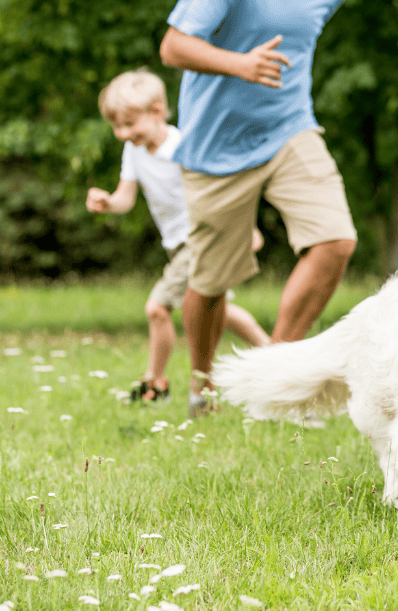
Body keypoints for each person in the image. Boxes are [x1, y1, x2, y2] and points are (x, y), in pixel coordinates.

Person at [159, 0, 358, 416]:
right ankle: (202, 387)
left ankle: (273, 371)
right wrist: (240, 64)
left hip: (289, 126)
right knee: (210, 282)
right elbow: (173, 46)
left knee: (336, 241)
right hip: (215, 144)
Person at [87, 68, 272, 404]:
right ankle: (276, 355)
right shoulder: (134, 150)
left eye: (129, 124)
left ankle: (155, 383)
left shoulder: (183, 146)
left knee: (157, 307)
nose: (122, 133)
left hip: (200, 238)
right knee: (218, 308)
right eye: (116, 126)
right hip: (176, 246)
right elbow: (126, 198)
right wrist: (108, 202)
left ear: (157, 112)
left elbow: (220, 191)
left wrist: (246, 230)